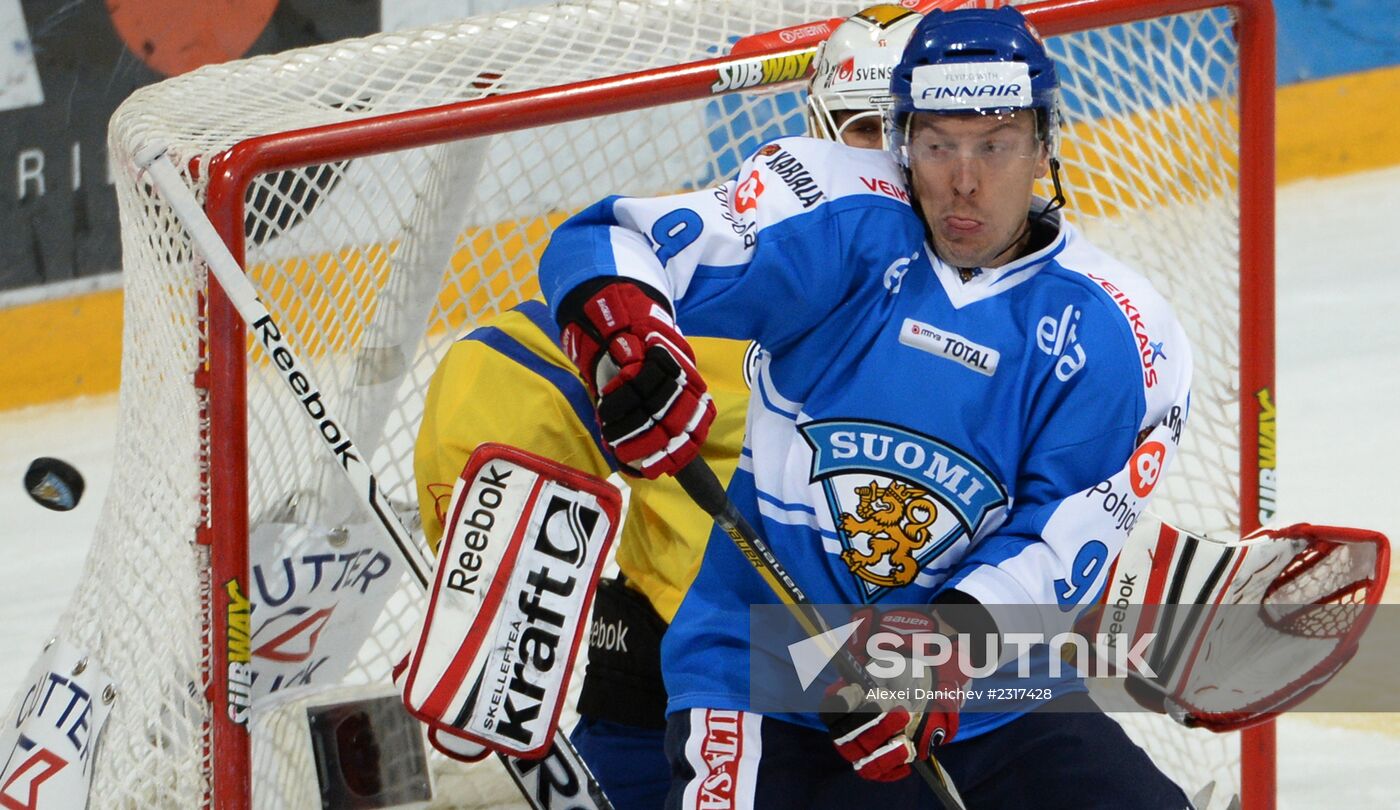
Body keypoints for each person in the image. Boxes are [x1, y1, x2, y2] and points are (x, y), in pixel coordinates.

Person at [536, 6, 1194, 809]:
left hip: (987, 695)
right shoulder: (842, 218)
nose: (963, 179)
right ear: (902, 143)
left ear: (1044, 144)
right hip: (763, 676)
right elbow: (611, 237)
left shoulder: (1124, 330)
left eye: (995, 144)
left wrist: (935, 653)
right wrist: (624, 327)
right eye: (937, 143)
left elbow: (1057, 543)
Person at [411, 10, 919, 808]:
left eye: (919, 134)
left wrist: (1182, 650)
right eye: (867, 128)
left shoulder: (1022, 312)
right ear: (818, 132)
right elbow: (512, 365)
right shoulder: (756, 265)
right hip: (678, 688)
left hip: (902, 705)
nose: (895, 159)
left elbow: (1064, 515)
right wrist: (496, 595)